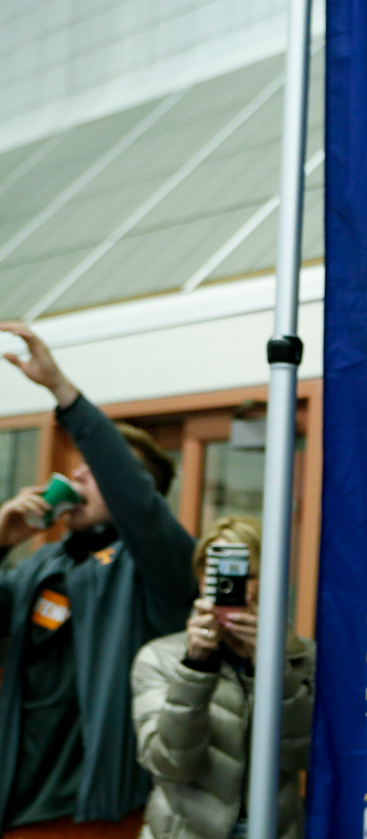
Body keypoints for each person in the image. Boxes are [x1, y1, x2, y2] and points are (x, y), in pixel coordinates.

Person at [0, 323, 197, 837]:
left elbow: (131, 494)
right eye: (79, 468)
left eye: (98, 472)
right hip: (16, 801)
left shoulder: (158, 567)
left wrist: (61, 391)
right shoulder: (44, 565)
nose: (80, 475)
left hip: (98, 809)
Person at [130, 516, 314, 839]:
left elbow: (302, 754)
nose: (232, 585)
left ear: (270, 579)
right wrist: (195, 666)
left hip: (274, 827)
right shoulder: (160, 658)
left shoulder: (301, 656)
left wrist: (270, 663)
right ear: (202, 581)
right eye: (219, 574)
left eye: (247, 574)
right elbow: (172, 763)